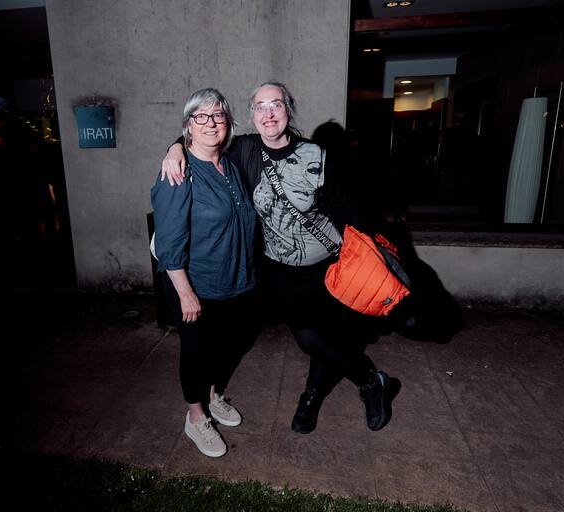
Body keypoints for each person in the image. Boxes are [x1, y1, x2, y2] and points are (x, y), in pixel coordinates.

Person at [162, 81, 396, 435]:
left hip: (330, 265)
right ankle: (369, 378)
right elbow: (202, 135)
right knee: (309, 338)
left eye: (276, 105)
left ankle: (314, 395)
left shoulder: (317, 155)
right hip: (281, 270)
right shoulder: (243, 149)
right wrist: (174, 149)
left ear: (289, 110)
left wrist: (368, 254)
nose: (268, 113)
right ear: (251, 115)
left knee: (327, 335)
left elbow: (349, 208)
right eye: (260, 106)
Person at [151, 88, 257, 457]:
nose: (211, 123)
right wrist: (185, 293)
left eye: (218, 115)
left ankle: (212, 396)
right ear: (188, 126)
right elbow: (168, 242)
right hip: (195, 283)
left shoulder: (230, 165)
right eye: (201, 116)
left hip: (234, 280)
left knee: (225, 346)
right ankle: (196, 417)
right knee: (196, 351)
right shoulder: (178, 171)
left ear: (228, 123)